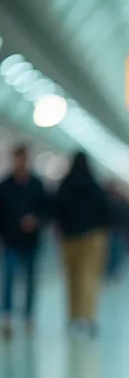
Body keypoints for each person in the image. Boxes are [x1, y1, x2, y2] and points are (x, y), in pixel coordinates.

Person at [54, 152, 111, 337]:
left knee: (72, 278)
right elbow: (106, 212)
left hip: (69, 238)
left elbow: (56, 210)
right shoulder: (95, 186)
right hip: (92, 238)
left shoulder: (65, 185)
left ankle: (74, 318)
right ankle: (87, 318)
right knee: (89, 277)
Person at [0, 144, 47, 339]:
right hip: (11, 241)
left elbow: (46, 210)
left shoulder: (37, 185)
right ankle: (8, 316)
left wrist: (36, 220)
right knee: (9, 279)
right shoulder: (5, 185)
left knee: (30, 280)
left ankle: (28, 315)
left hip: (31, 241)